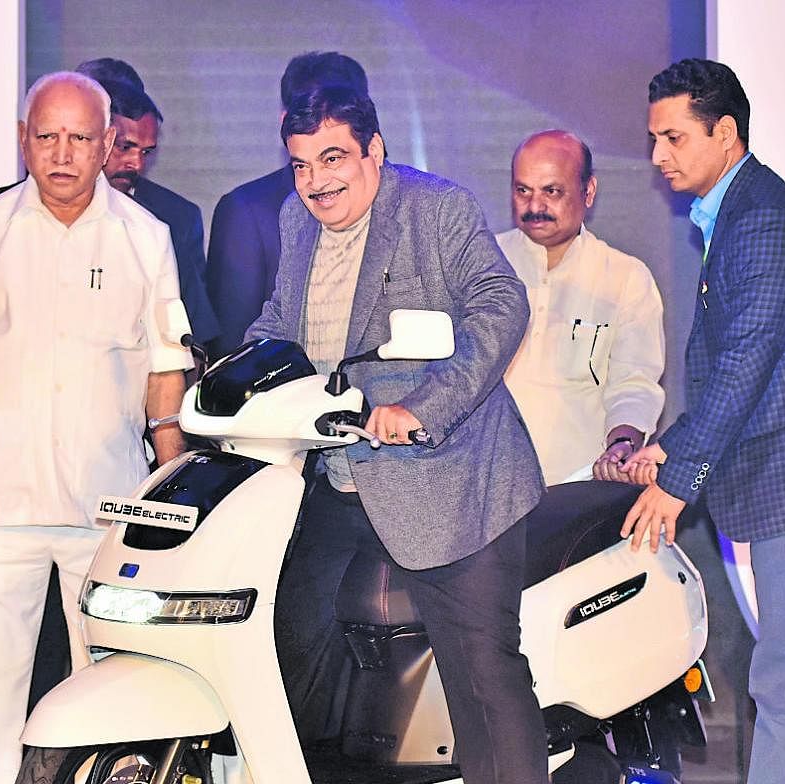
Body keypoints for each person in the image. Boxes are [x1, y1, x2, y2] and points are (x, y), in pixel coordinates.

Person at [248, 84, 546, 784]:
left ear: (374, 150)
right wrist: (234, 374)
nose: (315, 181)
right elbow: (279, 323)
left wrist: (424, 406)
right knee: (285, 647)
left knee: (484, 675)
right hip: (339, 474)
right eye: (299, 164)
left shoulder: (433, 209)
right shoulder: (297, 220)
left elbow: (502, 304)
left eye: (332, 158)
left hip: (449, 471)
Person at [0, 71, 192, 784]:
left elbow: (166, 374)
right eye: (46, 136)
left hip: (110, 509)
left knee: (113, 683)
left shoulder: (147, 238)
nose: (62, 154)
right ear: (22, 141)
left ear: (108, 145)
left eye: (79, 138)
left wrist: (170, 494)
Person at [623, 58, 785, 784]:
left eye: (673, 138)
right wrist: (670, 445)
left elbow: (747, 366)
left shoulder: (761, 217)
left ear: (726, 131)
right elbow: (751, 370)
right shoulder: (740, 211)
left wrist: (676, 480)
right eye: (654, 139)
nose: (657, 156)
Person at [499, 130, 665, 484]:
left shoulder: (624, 278)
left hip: (578, 490)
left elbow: (634, 383)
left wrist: (622, 443)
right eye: (522, 190)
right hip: (485, 493)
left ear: (588, 191)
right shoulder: (483, 263)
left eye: (552, 191)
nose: (534, 207)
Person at [206, 51, 369, 359]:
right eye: (312, 116)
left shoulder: (418, 204)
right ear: (286, 123)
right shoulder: (247, 211)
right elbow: (234, 348)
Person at [77, 59, 219, 347]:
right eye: (125, 147)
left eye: (146, 151)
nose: (136, 164)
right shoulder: (1, 218)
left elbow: (195, 338)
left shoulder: (170, 221)